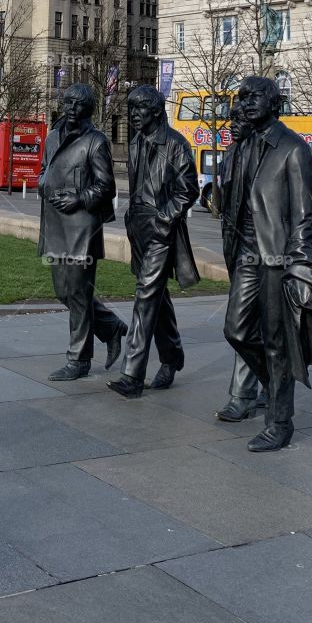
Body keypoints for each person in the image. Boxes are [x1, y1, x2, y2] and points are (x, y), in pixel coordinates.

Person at [223, 75, 312, 451]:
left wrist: (298, 265)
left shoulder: (293, 149)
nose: (245, 103)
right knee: (237, 330)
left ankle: (281, 420)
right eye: (241, 97)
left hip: (277, 256)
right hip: (245, 252)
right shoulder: (243, 145)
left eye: (253, 97)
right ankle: (275, 386)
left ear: (274, 102)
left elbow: (304, 215)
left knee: (277, 342)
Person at [108, 85, 200, 399]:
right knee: (157, 298)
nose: (133, 115)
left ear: (156, 111)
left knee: (145, 296)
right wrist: (131, 220)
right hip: (139, 230)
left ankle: (132, 376)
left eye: (140, 109)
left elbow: (188, 190)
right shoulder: (135, 142)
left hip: (162, 231)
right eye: (131, 109)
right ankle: (173, 356)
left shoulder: (176, 145)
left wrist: (164, 219)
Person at [37, 84, 127, 380]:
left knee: (77, 292)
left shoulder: (96, 141)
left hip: (81, 227)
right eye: (68, 102)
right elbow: (43, 172)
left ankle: (79, 359)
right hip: (55, 224)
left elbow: (106, 186)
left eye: (78, 104)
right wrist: (43, 184)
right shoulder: (52, 137)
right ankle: (111, 327)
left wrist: (78, 197)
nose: (71, 109)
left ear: (88, 109)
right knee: (64, 292)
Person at [215, 101, 267, 423]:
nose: (230, 125)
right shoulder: (231, 154)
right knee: (249, 324)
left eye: (237, 119)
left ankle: (243, 394)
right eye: (229, 119)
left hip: (264, 248)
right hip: (237, 246)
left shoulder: (270, 152)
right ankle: (270, 380)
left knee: (241, 325)